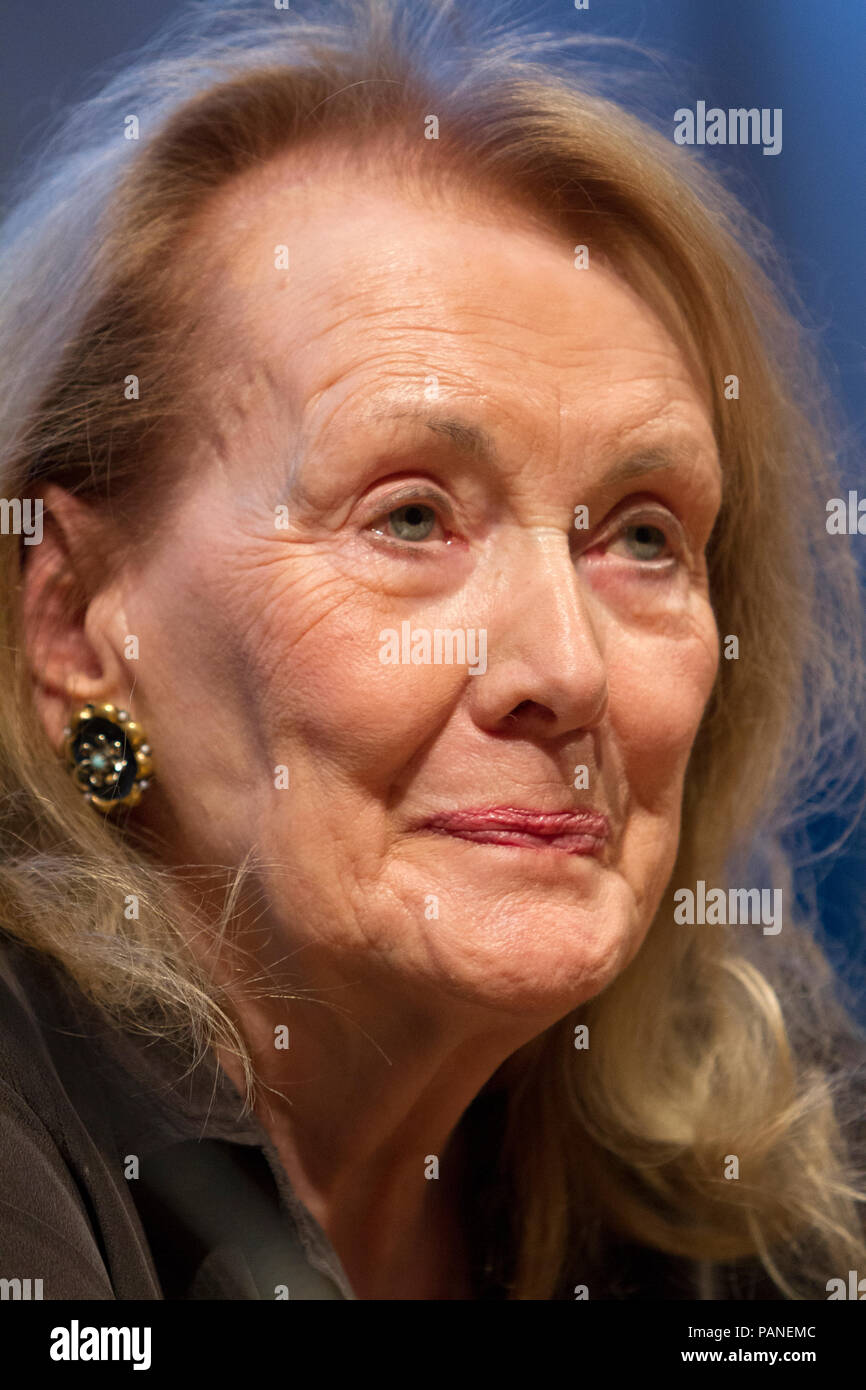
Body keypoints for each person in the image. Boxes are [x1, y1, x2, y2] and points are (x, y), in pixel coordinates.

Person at [0, 0, 864, 1301]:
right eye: (409, 517)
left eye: (639, 538)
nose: (564, 671)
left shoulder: (761, 1205)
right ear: (74, 624)